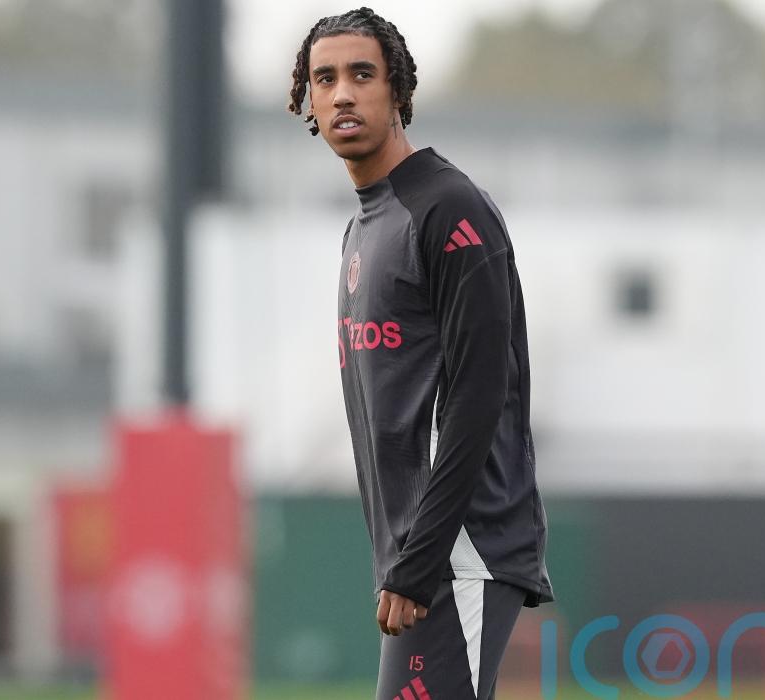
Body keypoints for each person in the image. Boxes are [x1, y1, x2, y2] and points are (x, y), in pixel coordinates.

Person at [287, 8, 555, 699]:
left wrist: (422, 558)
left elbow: (478, 395)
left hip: (459, 550)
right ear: (308, 101)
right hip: (422, 556)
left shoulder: (449, 209)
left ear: (398, 90)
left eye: (362, 74)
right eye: (325, 79)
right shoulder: (364, 226)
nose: (343, 93)